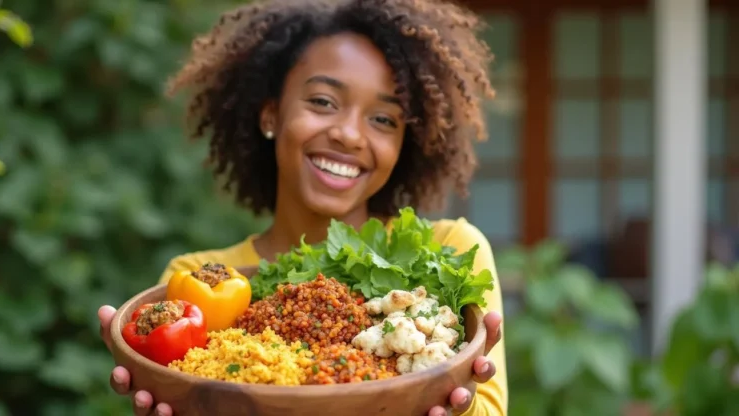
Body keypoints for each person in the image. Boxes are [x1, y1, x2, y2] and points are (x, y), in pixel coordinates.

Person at [97, 0, 507, 414]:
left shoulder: (450, 248)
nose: (348, 134)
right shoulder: (193, 283)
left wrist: (459, 405)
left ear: (404, 147)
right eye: (324, 102)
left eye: (384, 120)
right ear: (271, 114)